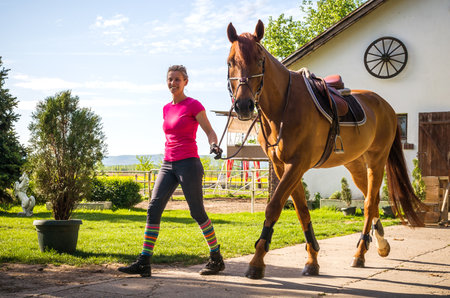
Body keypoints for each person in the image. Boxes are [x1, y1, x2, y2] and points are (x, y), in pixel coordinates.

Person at [118, 65, 224, 277]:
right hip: (168, 164)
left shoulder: (193, 105)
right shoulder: (166, 108)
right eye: (170, 79)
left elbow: (210, 131)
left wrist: (214, 145)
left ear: (185, 82)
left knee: (197, 212)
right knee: (153, 208)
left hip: (189, 163)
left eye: (177, 79)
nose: (173, 83)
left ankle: (216, 257)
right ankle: (144, 262)